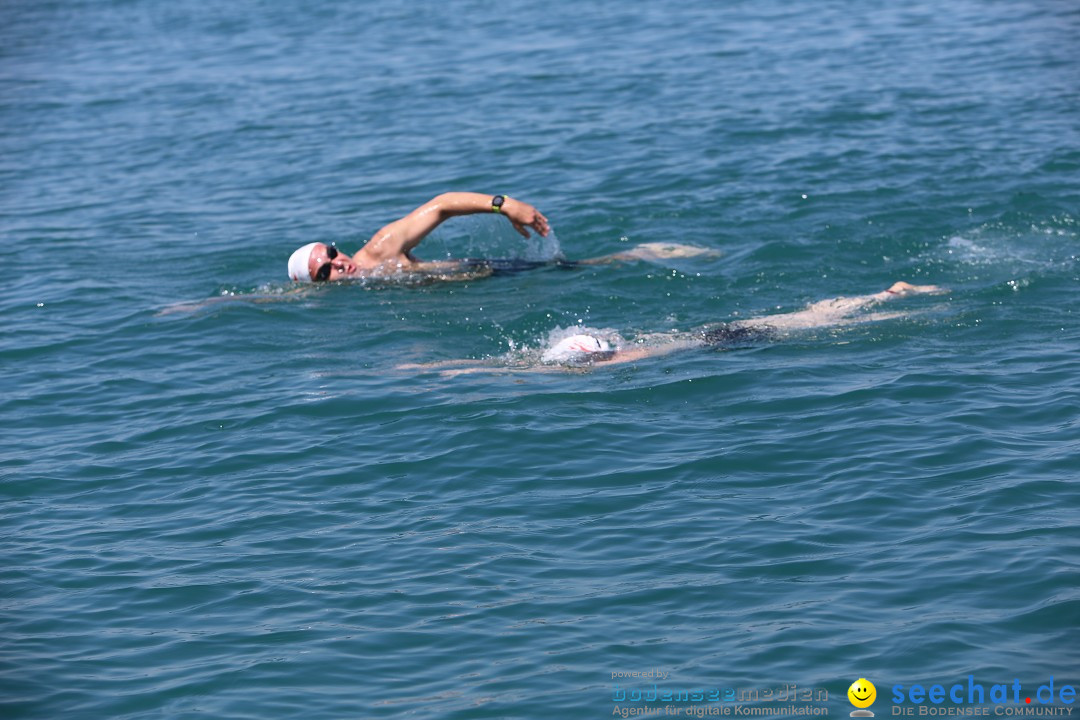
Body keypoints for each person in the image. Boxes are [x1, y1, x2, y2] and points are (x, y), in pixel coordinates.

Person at [399, 282, 944, 375]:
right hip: (711, 336)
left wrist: (442, 367)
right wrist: (439, 366)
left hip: (723, 343)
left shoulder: (616, 362)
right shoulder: (560, 363)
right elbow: (502, 366)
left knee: (813, 324)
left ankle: (889, 298)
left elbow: (504, 369)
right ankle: (882, 297)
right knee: (810, 317)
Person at [286, 192, 716, 282]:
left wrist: (503, 205)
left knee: (583, 268)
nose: (338, 262)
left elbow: (442, 204)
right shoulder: (358, 287)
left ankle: (647, 252)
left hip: (493, 274)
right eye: (325, 273)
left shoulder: (380, 250)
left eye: (332, 253)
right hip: (483, 287)